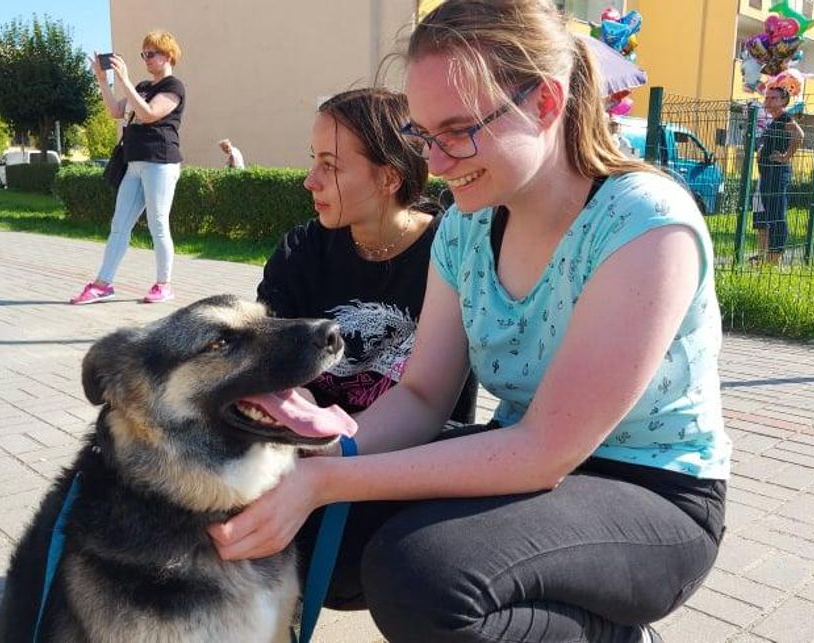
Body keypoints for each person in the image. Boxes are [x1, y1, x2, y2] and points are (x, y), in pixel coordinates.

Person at [209, 1, 729, 642]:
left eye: (457, 131)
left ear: (544, 103)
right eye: (425, 136)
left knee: (424, 578)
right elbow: (425, 395)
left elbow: (543, 452)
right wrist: (321, 455)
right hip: (528, 462)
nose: (437, 163)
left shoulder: (645, 226)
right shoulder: (466, 225)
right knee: (315, 538)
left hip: (652, 492)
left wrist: (327, 477)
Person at [257, 87, 477, 426]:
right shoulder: (301, 251)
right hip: (311, 437)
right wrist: (315, 425)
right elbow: (270, 364)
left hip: (418, 451)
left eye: (329, 165)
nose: (309, 181)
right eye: (313, 159)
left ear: (388, 178)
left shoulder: (450, 251)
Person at [71, 30, 186, 305]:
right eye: (143, 54)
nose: (146, 59)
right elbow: (115, 111)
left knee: (158, 224)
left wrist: (123, 79)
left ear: (168, 55)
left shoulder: (174, 87)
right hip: (134, 163)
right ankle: (102, 284)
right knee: (119, 224)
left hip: (161, 162)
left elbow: (148, 114)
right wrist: (103, 80)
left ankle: (163, 284)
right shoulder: (144, 85)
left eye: (152, 53)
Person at [754, 86, 803, 265]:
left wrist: (785, 157)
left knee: (776, 215)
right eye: (767, 98)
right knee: (770, 215)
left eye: (774, 98)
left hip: (777, 173)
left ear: (784, 101)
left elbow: (799, 135)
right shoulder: (773, 122)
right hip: (767, 173)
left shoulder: (784, 118)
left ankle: (775, 257)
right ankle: (770, 256)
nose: (769, 101)